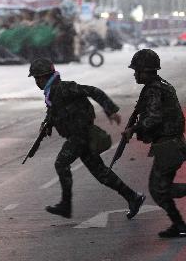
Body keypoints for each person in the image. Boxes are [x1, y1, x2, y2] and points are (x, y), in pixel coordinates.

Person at [28, 58, 145, 219]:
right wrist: (46, 124)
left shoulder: (64, 88)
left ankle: (66, 205)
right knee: (101, 173)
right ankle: (133, 197)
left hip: (80, 135)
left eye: (37, 78)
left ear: (45, 76)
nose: (36, 82)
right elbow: (53, 112)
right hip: (79, 136)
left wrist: (110, 109)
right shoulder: (52, 92)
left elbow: (93, 90)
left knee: (61, 164)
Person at [123, 49, 186, 238]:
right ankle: (179, 225)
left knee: (159, 189)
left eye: (137, 70)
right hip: (170, 143)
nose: (135, 74)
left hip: (169, 145)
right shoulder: (159, 86)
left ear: (146, 71)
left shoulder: (154, 89)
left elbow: (154, 118)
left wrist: (133, 129)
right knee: (161, 187)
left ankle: (179, 225)